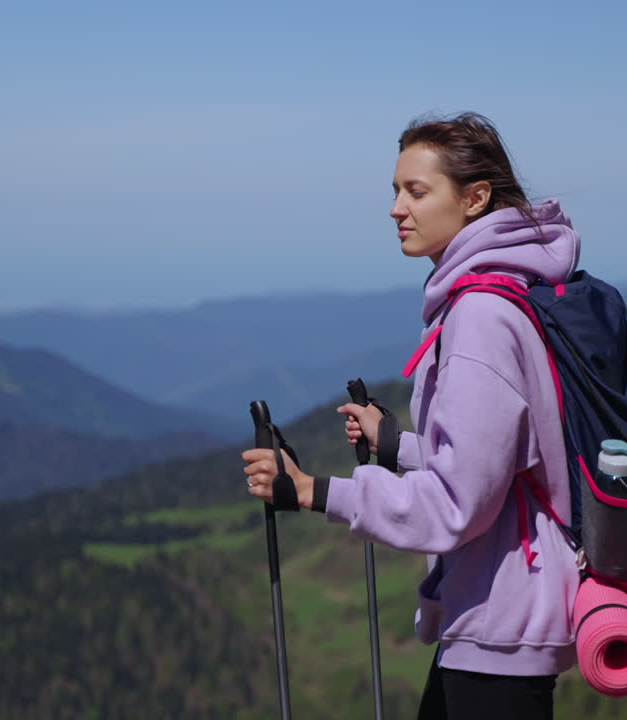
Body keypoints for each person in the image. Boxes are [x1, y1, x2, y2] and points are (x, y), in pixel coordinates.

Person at [242, 112, 581, 719]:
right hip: (500, 611)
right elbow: (496, 464)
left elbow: (458, 505)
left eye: (416, 191)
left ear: (475, 199)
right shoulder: (514, 288)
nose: (397, 208)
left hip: (499, 624)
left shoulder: (479, 316)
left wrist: (313, 491)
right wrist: (398, 444)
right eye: (396, 191)